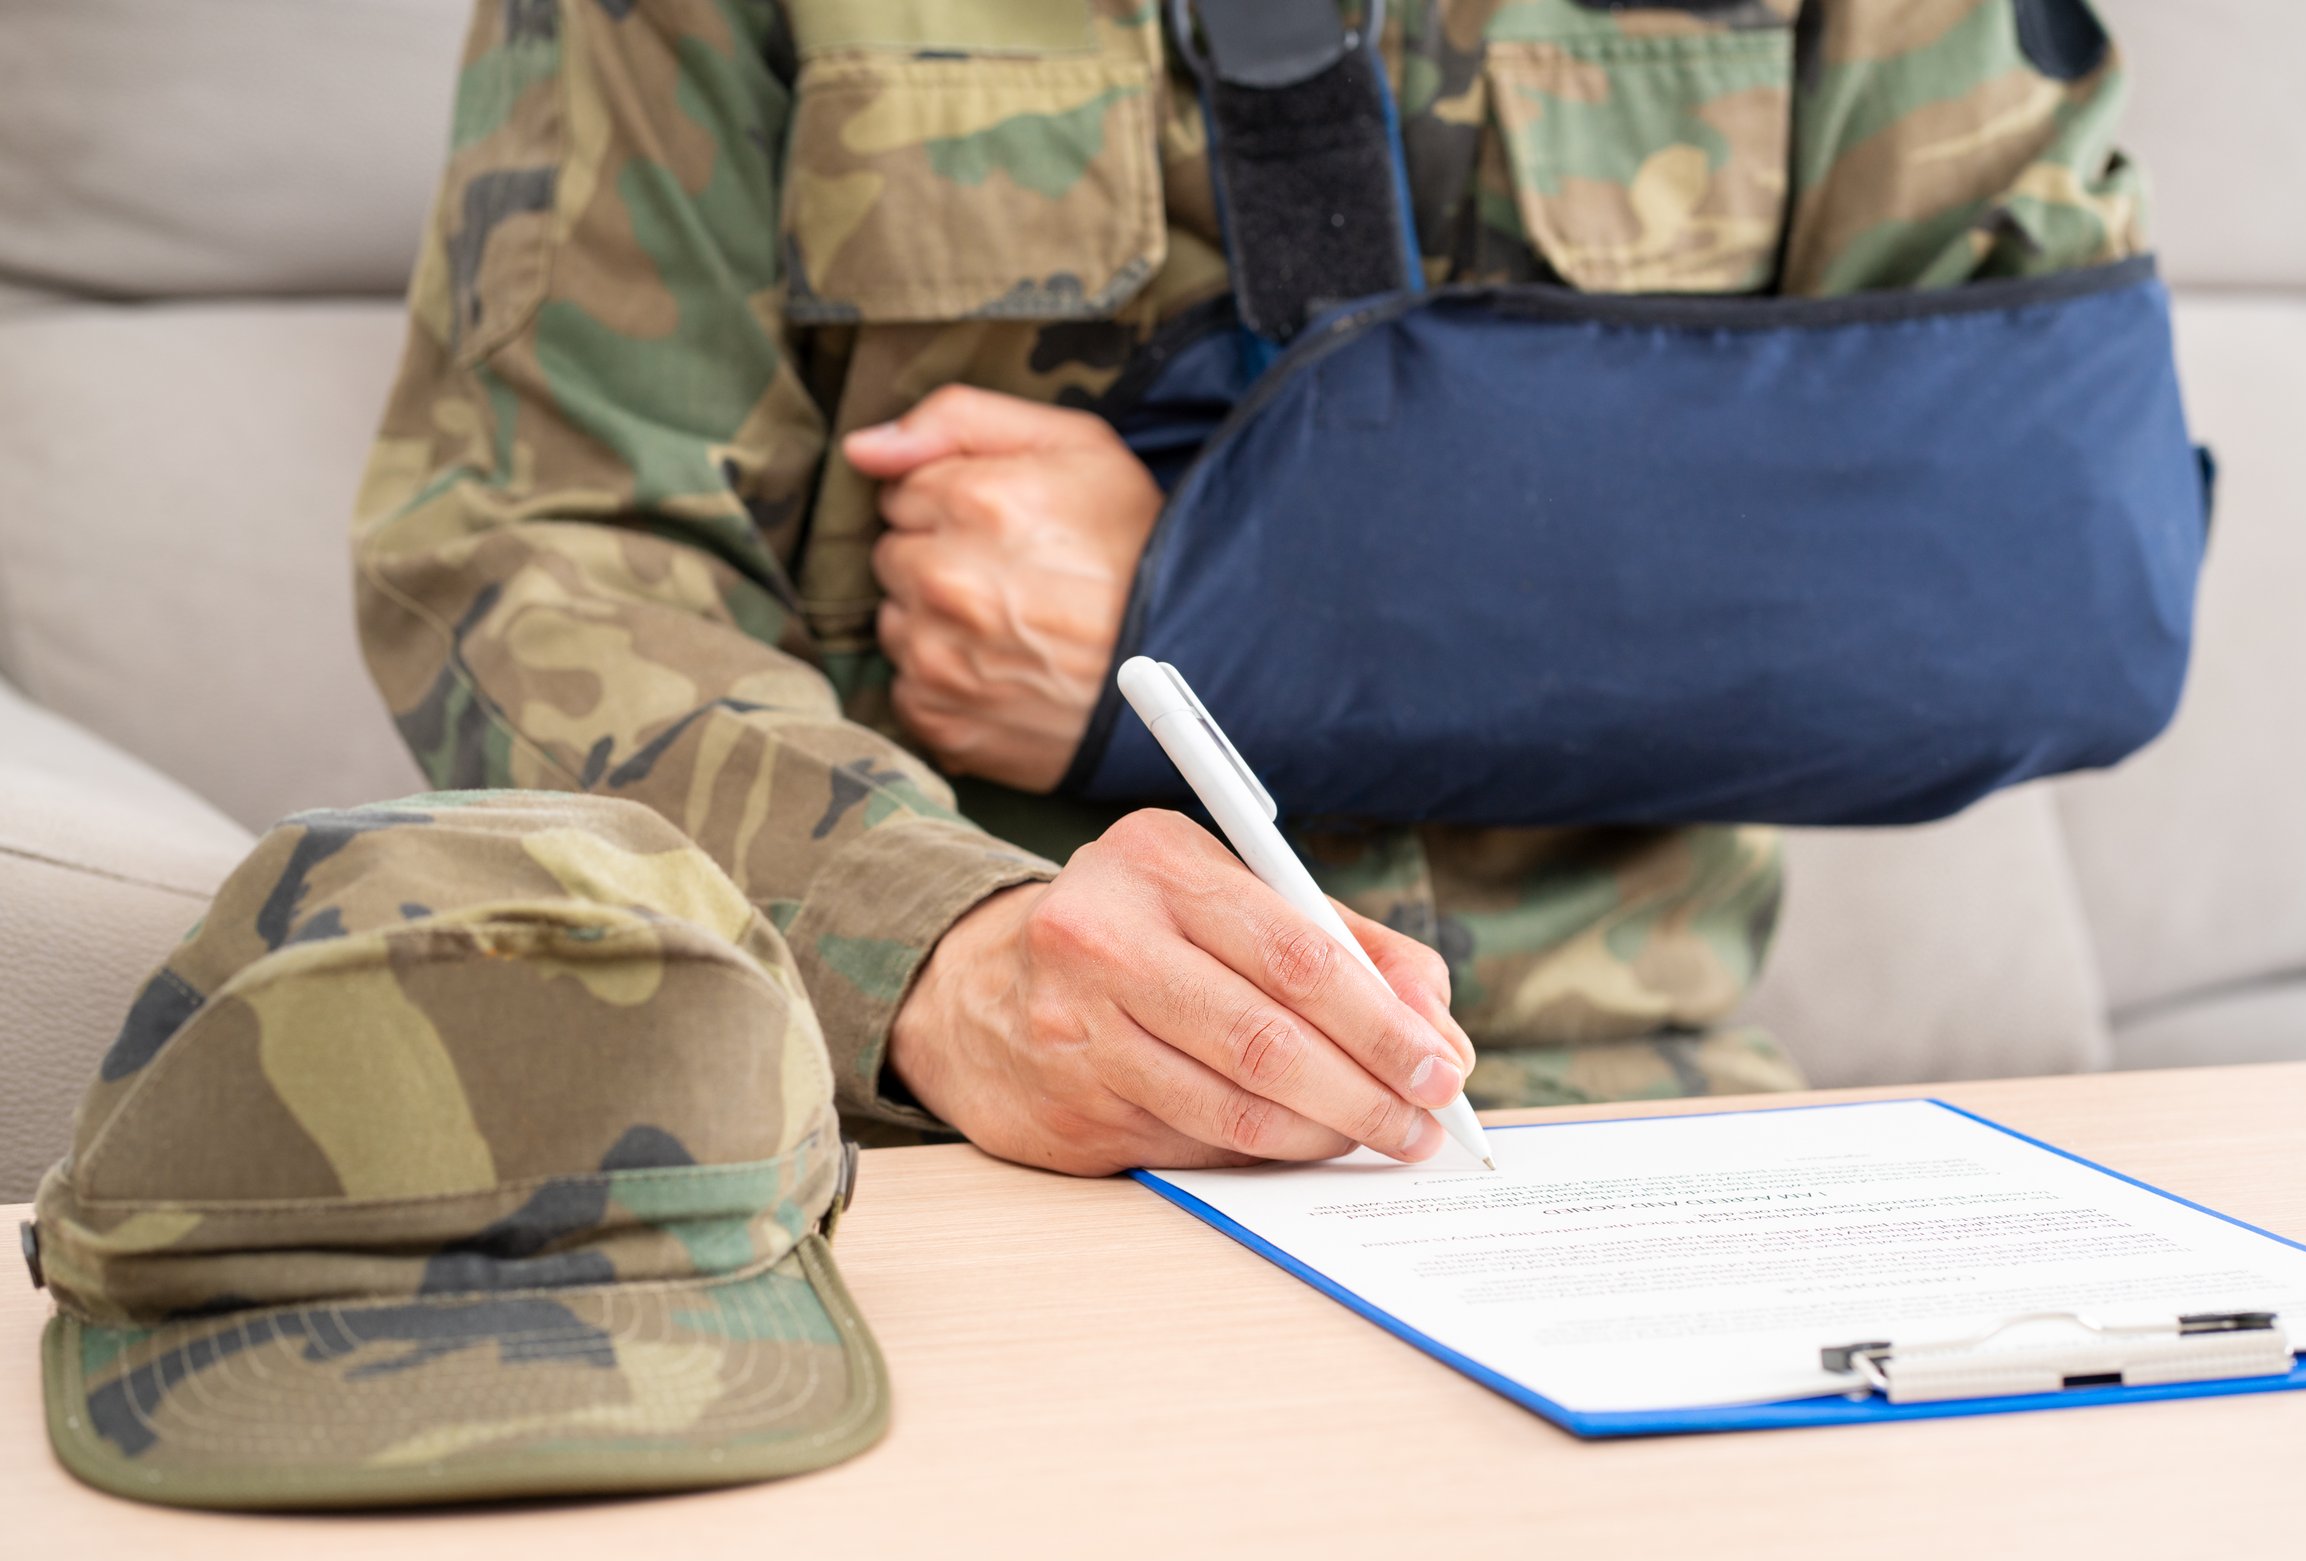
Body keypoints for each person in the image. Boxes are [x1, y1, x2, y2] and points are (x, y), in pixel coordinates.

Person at [350, 0, 2142, 1174]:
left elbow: (2050, 564)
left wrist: (1221, 609)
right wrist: (937, 953)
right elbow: (535, 548)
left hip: (1634, 1138)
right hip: (960, 1143)